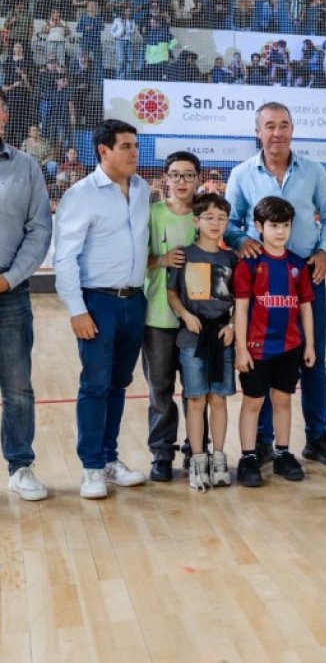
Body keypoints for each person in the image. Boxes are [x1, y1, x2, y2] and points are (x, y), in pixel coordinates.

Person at [224, 102, 326, 467]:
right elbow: (230, 222)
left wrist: (323, 251)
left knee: (313, 358)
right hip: (261, 283)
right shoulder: (242, 174)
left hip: (306, 276)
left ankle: (317, 437)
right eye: (270, 126)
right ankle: (262, 443)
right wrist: (240, 240)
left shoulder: (314, 170)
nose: (277, 132)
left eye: (284, 125)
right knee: (263, 361)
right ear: (257, 131)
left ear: (292, 129)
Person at [54, 119, 150, 499]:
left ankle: (110, 458)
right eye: (125, 146)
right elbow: (65, 259)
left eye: (135, 145)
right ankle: (91, 467)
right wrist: (77, 310)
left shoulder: (142, 189)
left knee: (119, 383)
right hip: (97, 303)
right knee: (95, 385)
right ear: (103, 151)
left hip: (134, 302)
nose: (134, 153)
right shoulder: (80, 195)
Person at [234, 196, 315, 486]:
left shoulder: (296, 265)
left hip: (289, 347)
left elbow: (305, 307)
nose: (280, 231)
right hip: (256, 349)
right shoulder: (249, 264)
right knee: (253, 402)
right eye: (273, 226)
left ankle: (282, 453)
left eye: (285, 226)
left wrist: (310, 344)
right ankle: (248, 457)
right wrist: (241, 348)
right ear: (259, 227)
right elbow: (241, 309)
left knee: (282, 399)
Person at [0, 92, 52, 500]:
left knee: (17, 387)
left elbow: (39, 230)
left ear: (4, 115)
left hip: (10, 294)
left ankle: (20, 466)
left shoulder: (26, 166)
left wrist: (10, 279)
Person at [167, 193, 235, 491]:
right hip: (191, 338)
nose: (215, 223)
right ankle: (198, 460)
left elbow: (241, 299)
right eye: (209, 217)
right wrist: (185, 314)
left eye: (221, 218)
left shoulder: (231, 259)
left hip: (222, 337)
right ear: (196, 221)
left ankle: (219, 459)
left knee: (218, 399)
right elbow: (171, 293)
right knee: (195, 399)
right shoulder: (183, 256)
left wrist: (232, 325)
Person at [142, 151, 199, 481]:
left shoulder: (206, 215)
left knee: (196, 390)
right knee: (160, 389)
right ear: (165, 178)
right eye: (175, 174)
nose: (181, 181)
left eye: (188, 175)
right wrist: (161, 260)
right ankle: (162, 453)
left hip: (198, 319)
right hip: (159, 318)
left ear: (197, 179)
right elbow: (135, 257)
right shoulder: (152, 214)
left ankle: (196, 449)